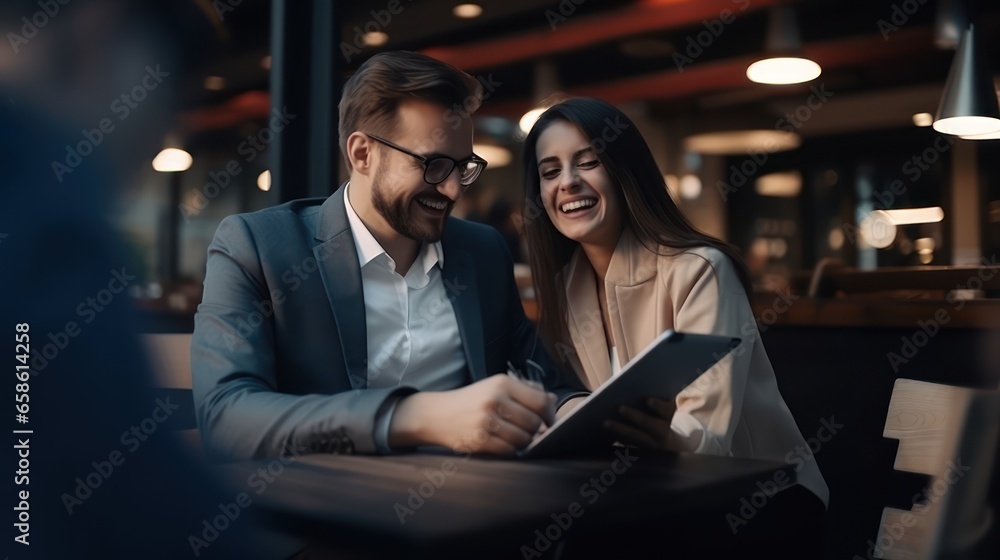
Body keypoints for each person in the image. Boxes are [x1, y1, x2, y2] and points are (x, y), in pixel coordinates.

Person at [191, 51, 587, 462]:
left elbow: (543, 381)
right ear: (362, 154)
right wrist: (413, 415)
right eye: (433, 164)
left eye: (463, 167)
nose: (453, 190)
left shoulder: (482, 251)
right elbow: (225, 416)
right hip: (320, 503)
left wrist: (583, 412)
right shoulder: (257, 246)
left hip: (469, 502)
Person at [521, 97, 829, 509]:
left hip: (762, 496)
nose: (568, 182)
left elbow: (708, 436)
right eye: (550, 171)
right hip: (643, 491)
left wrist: (663, 436)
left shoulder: (701, 270)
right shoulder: (563, 289)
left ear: (625, 171)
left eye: (588, 162)